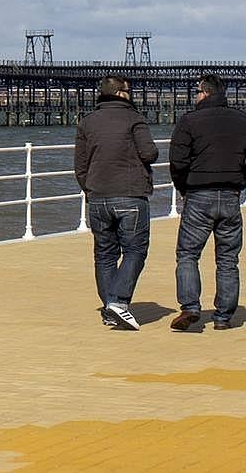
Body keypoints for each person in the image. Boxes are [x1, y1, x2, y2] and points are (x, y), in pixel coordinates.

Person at [167, 75, 246, 332]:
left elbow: (177, 161)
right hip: (231, 197)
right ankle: (223, 317)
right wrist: (242, 181)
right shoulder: (244, 121)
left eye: (197, 91)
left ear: (205, 93)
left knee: (188, 254)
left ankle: (190, 306)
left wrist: (184, 188)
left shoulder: (189, 121)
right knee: (227, 259)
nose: (195, 95)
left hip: (199, 196)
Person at [76, 75, 158, 330]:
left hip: (98, 196)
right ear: (121, 93)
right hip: (130, 194)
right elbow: (150, 153)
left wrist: (89, 187)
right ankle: (118, 303)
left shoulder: (87, 122)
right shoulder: (134, 118)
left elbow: (79, 165)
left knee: (104, 254)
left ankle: (110, 306)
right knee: (135, 251)